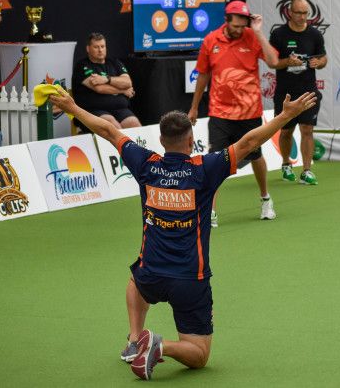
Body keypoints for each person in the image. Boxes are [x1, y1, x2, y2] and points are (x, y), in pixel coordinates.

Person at [48, 86, 316, 381]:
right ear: (191, 140)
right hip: (190, 279)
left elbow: (109, 131)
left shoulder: (146, 164)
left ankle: (135, 339)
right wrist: (285, 116)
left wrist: (73, 108)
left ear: (161, 141)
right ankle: (160, 346)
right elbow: (249, 141)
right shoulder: (205, 168)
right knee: (199, 355)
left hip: (151, 273)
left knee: (136, 277)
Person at [188, 0, 280, 226]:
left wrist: (258, 32)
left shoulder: (251, 36)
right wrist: (193, 106)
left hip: (249, 113)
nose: (240, 30)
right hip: (219, 113)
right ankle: (210, 210)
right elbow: (202, 75)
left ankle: (265, 199)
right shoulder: (211, 40)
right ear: (226, 20)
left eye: (243, 26)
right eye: (236, 26)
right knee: (213, 162)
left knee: (256, 156)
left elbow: (273, 61)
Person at [269, 0, 326, 185]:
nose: (302, 17)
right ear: (290, 13)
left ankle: (307, 170)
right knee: (286, 131)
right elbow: (273, 62)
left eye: (305, 13)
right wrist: (287, 62)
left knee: (307, 129)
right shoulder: (278, 34)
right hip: (285, 92)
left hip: (308, 90)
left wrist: (319, 62)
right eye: (299, 13)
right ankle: (286, 164)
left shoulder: (315, 35)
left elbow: (323, 58)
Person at [72, 32, 142, 130]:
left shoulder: (114, 63)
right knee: (114, 128)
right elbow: (99, 88)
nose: (100, 50)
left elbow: (128, 83)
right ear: (88, 49)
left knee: (135, 125)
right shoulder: (82, 66)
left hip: (120, 109)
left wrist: (106, 79)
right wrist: (122, 90)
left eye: (102, 46)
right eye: (96, 47)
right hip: (94, 110)